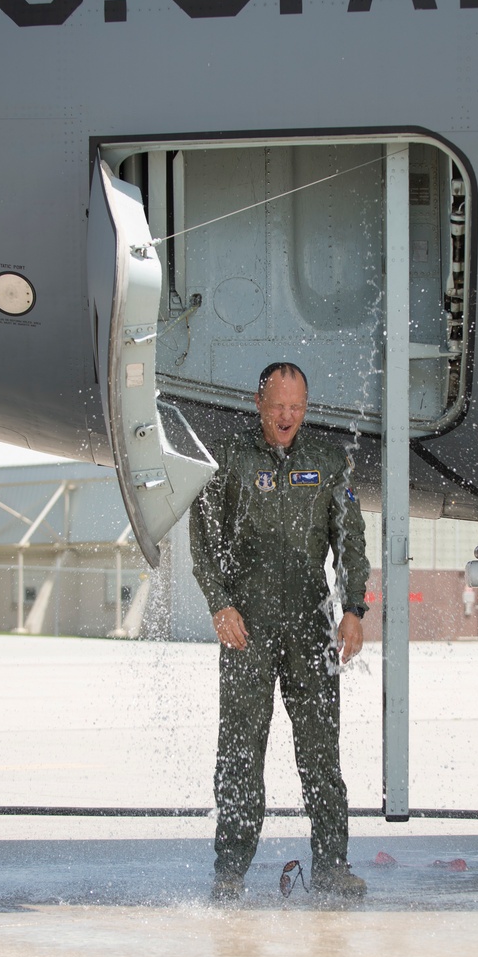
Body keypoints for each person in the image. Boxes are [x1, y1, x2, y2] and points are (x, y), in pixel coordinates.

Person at [189, 362, 371, 902]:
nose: (287, 416)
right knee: (241, 749)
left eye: (297, 407)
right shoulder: (230, 459)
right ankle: (230, 871)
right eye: (278, 406)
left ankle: (332, 864)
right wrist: (220, 604)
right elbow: (203, 541)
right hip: (248, 627)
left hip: (311, 629)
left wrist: (354, 608)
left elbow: (351, 540)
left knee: (320, 749)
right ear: (258, 403)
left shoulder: (329, 461)